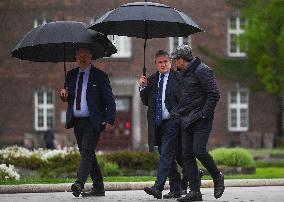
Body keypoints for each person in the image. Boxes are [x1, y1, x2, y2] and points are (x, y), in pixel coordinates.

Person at [170, 44, 225, 202]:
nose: (174, 63)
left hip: (201, 119)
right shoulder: (183, 73)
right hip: (186, 120)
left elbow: (214, 94)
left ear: (182, 60)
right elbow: (183, 97)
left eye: (175, 60)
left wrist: (204, 114)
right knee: (187, 154)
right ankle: (195, 191)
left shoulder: (203, 70)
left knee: (198, 151)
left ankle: (217, 176)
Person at [60, 47, 116, 197]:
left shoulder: (100, 75)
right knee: (88, 153)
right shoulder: (71, 75)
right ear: (76, 58)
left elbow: (109, 99)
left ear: (90, 56)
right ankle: (99, 187)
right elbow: (67, 97)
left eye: (85, 55)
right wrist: (64, 95)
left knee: (86, 152)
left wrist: (110, 119)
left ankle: (79, 183)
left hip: (93, 121)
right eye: (79, 55)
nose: (82, 58)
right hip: (77, 121)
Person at [140, 50, 187, 199]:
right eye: (160, 62)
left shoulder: (178, 78)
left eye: (165, 61)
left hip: (173, 122)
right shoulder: (152, 80)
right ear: (155, 64)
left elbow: (184, 100)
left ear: (170, 63)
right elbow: (146, 101)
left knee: (166, 153)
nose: (163, 64)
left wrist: (179, 117)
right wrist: (143, 87)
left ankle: (158, 187)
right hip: (157, 123)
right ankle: (176, 188)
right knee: (168, 155)